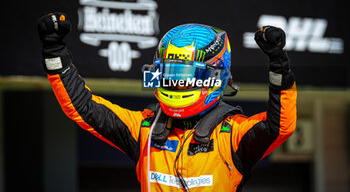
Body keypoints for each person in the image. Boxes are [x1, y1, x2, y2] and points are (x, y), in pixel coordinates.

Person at [37, 12, 297, 192]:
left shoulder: (232, 134)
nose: (175, 83)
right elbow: (84, 108)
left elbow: (279, 126)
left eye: (184, 77)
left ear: (215, 78)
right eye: (169, 75)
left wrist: (279, 66)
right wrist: (54, 52)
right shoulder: (146, 130)